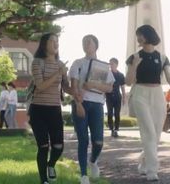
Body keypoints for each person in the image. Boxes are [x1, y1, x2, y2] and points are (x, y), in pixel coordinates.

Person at [125, 24, 170, 182]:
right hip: (140, 93)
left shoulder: (162, 57)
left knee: (155, 135)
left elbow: (168, 76)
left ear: (148, 35)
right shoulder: (134, 57)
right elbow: (128, 82)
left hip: (157, 94)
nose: (138, 38)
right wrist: (134, 65)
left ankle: (144, 160)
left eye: (140, 35)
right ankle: (152, 170)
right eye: (137, 35)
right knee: (148, 131)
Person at [69, 34, 115, 184]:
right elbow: (74, 86)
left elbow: (109, 88)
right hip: (81, 103)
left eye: (90, 42)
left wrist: (93, 85)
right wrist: (78, 104)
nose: (87, 44)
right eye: (84, 42)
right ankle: (83, 175)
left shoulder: (103, 66)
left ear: (96, 45)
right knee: (83, 140)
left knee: (98, 142)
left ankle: (93, 161)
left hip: (97, 105)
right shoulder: (78, 63)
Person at [29, 33, 69, 184]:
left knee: (58, 147)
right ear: (44, 44)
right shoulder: (37, 63)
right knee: (43, 146)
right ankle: (43, 180)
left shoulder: (60, 64)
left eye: (57, 41)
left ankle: (51, 164)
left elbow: (65, 86)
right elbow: (40, 86)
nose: (56, 43)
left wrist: (77, 91)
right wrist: (58, 73)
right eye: (53, 41)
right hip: (38, 109)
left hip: (54, 110)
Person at [106, 57, 126, 137]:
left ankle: (116, 129)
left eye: (112, 64)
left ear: (116, 65)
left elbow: (122, 87)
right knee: (110, 113)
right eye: (110, 64)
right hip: (109, 96)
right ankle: (111, 128)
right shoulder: (107, 74)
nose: (110, 65)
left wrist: (124, 98)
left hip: (117, 96)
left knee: (117, 113)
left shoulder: (120, 75)